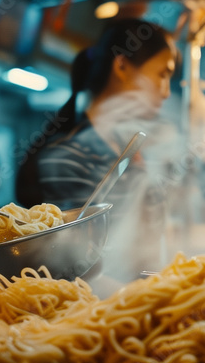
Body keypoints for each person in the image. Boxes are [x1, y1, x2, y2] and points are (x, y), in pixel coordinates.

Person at [17, 18, 178, 281]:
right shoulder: (70, 156)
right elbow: (75, 270)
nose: (167, 93)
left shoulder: (129, 151)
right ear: (122, 66)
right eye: (162, 74)